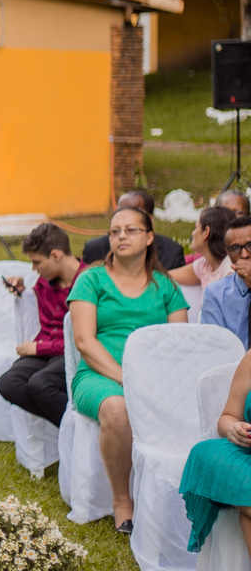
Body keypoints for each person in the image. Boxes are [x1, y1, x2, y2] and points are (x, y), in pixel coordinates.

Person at [68, 205, 189, 534]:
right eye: (115, 231)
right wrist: (127, 379)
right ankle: (123, 501)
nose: (121, 235)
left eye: (131, 229)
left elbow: (180, 342)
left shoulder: (166, 287)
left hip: (156, 377)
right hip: (99, 376)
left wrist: (156, 381)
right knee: (118, 409)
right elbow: (84, 341)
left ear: (150, 237)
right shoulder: (91, 280)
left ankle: (176, 501)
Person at [0, 223, 83, 427]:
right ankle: (70, 427)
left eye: (37, 262)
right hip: (45, 351)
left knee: (41, 384)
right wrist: (22, 289)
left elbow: (83, 337)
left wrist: (37, 347)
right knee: (8, 384)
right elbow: (38, 305)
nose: (33, 268)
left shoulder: (87, 283)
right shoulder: (44, 281)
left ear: (55, 256)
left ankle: (78, 432)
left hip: (72, 352)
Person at [179, 344, 251, 556]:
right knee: (203, 453)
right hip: (246, 457)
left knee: (246, 517)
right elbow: (228, 417)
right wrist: (234, 429)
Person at [82, 191, 185, 270]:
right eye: (118, 212)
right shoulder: (94, 249)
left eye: (131, 229)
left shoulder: (171, 253)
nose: (122, 236)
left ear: (149, 219)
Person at [200, 215, 251, 349]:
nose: (244, 254)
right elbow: (215, 349)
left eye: (250, 245)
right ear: (227, 253)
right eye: (235, 248)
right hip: (233, 367)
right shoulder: (215, 294)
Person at [170, 207, 234, 290]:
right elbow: (167, 276)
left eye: (196, 227)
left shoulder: (229, 269)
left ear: (206, 232)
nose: (193, 233)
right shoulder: (205, 265)